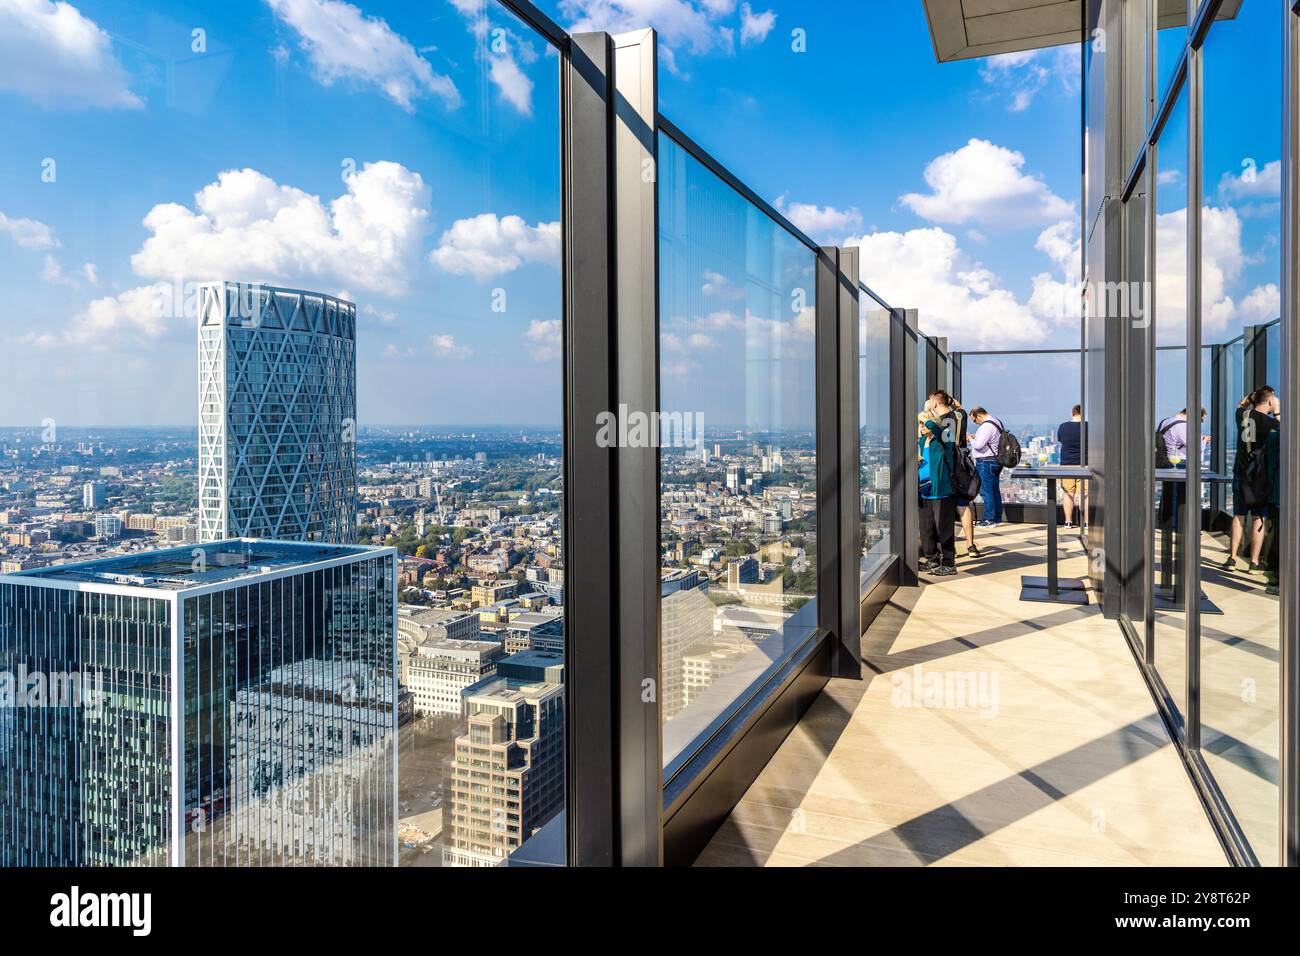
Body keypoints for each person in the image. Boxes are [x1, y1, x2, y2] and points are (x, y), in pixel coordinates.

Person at [1224, 387, 1281, 574]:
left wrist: (1254, 397)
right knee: (1259, 518)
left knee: (1238, 516)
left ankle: (1232, 558)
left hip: (1240, 474)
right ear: (1270, 401)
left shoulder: (1242, 415)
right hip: (1260, 478)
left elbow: (1242, 404)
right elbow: (1282, 432)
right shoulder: (1271, 424)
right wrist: (1278, 410)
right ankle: (1254, 562)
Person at [917, 402, 957, 575]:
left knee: (944, 528)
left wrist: (928, 418)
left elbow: (939, 431)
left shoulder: (944, 438)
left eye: (922, 423)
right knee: (926, 528)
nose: (920, 427)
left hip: (941, 491)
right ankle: (932, 558)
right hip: (924, 491)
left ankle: (949, 563)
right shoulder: (922, 441)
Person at [944, 393, 980, 558]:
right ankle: (970, 545)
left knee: (946, 508)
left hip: (946, 467)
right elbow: (960, 406)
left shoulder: (937, 420)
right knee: (963, 506)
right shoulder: (961, 416)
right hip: (961, 466)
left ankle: (949, 549)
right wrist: (950, 401)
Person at [968, 407, 1005, 528]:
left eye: (974, 420)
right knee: (994, 490)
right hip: (996, 460)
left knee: (986, 491)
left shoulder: (986, 426)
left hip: (985, 461)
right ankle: (997, 517)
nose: (975, 423)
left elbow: (978, 445)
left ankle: (989, 519)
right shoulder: (996, 422)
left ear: (979, 416)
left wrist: (970, 439)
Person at [1058, 405, 1087, 528]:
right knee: (1085, 493)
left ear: (1072, 413)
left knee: (1068, 492)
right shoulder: (1089, 426)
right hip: (1086, 464)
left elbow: (1060, 440)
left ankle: (1068, 521)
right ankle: (1086, 522)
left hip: (1067, 464)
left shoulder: (1063, 427)